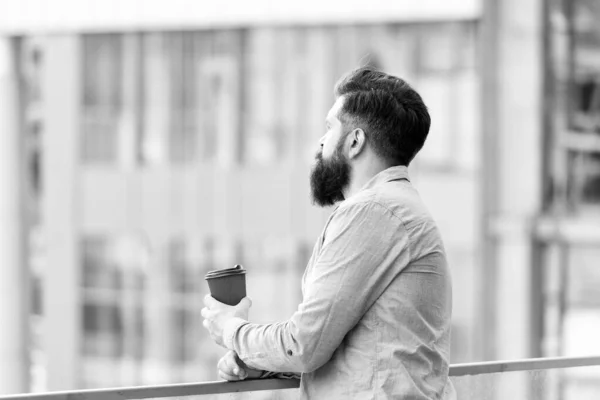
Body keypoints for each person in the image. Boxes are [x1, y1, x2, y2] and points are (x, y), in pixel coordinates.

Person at [201, 66, 456, 399]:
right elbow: (342, 344)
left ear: (354, 141)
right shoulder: (395, 207)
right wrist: (255, 361)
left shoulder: (374, 211)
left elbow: (304, 344)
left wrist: (231, 330)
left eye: (329, 128)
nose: (321, 141)